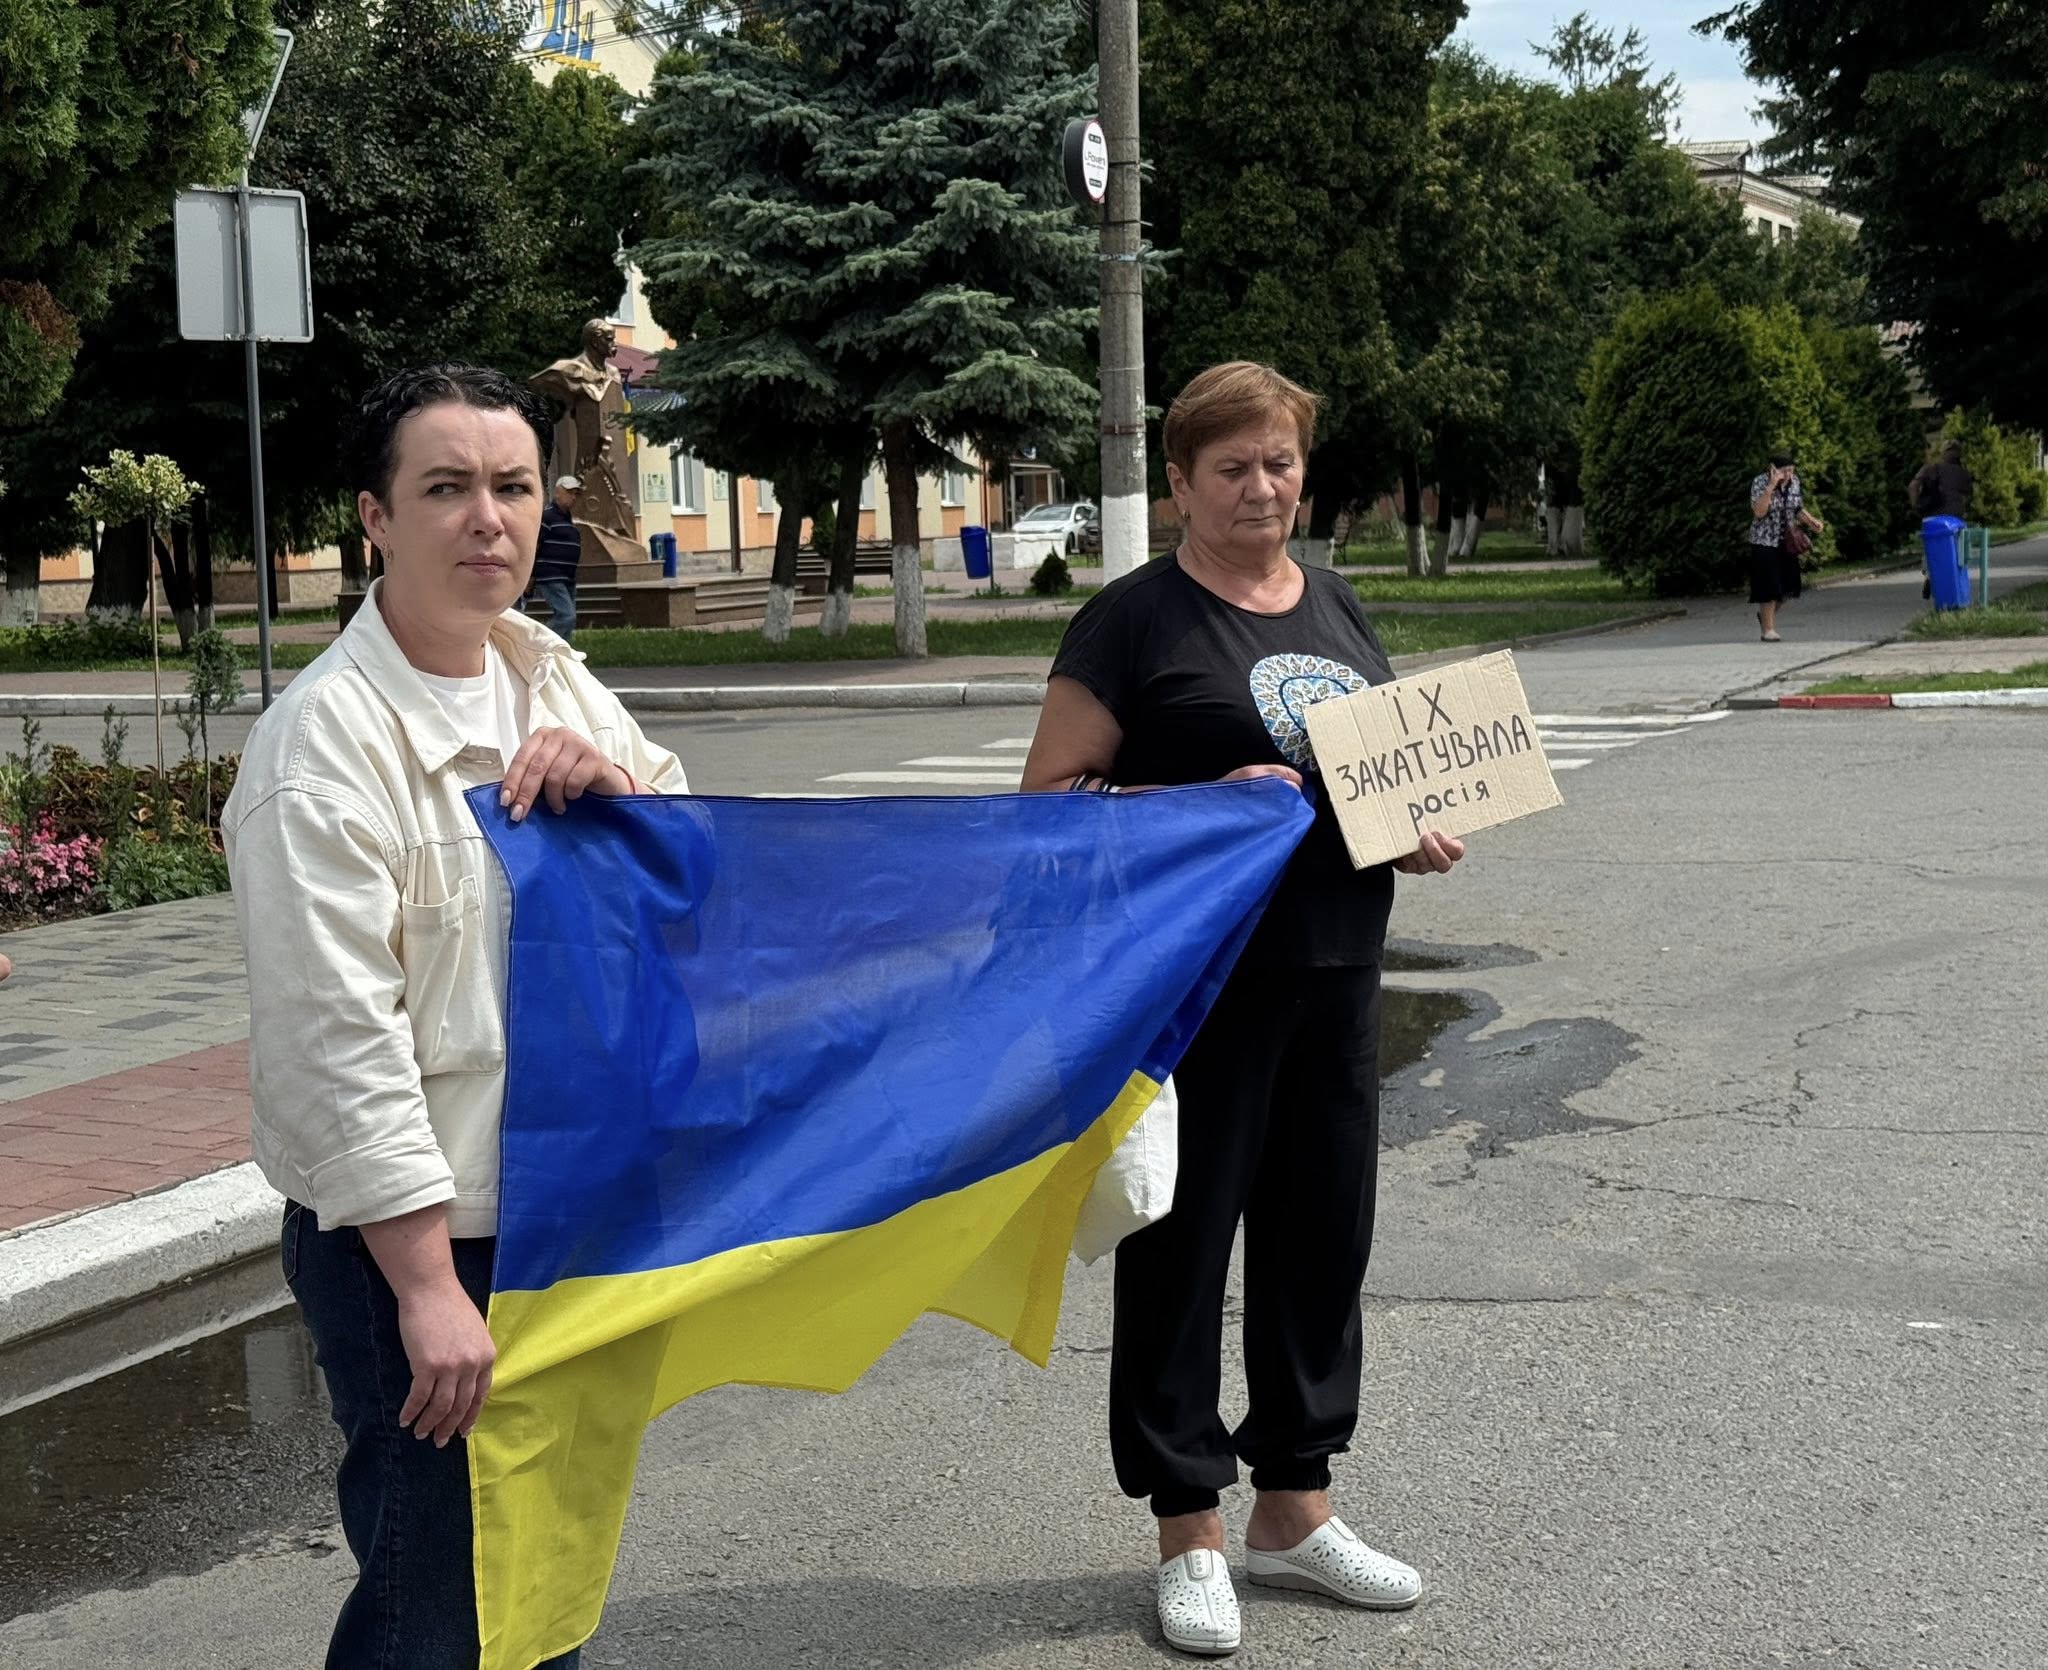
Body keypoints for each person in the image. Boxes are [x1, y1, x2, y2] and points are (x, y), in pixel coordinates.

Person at [222, 364, 690, 1670]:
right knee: (435, 1600)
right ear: (375, 517)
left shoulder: (553, 681)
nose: (488, 516)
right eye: (446, 487)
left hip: (562, 1206)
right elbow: (339, 1042)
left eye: (514, 486)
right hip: (424, 1241)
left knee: (541, 1565)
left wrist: (621, 792)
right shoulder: (323, 749)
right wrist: (426, 1286)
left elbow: (694, 870)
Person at [1020, 361, 1465, 1658]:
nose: (1261, 487)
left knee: (1323, 1242)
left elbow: (1374, 776)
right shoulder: (1131, 623)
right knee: (1181, 1250)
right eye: (1231, 467)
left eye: (1279, 462)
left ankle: (1294, 1505)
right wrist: (1194, 800)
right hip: (1195, 988)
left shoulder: (1333, 601)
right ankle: (1188, 1529)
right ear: (1178, 483)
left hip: (1336, 971)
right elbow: (1046, 806)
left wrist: (1416, 824)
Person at [1749, 451, 1826, 642]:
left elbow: (1797, 508)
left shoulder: (1794, 482)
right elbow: (1759, 512)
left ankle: (1765, 617)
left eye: (1791, 470)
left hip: (1786, 541)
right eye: (1784, 471)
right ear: (1772, 469)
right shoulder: (1760, 482)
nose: (1788, 474)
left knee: (1789, 586)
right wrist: (1771, 486)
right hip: (1764, 541)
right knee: (1769, 586)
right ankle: (1768, 630)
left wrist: (1811, 521)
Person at [1910, 441, 1973, 599]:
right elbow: (1966, 495)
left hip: (1932, 518)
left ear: (1943, 452)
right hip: (1955, 519)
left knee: (1931, 549)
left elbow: (1913, 486)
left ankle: (1930, 575)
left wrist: (1915, 505)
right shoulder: (1963, 473)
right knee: (1957, 553)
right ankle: (1954, 585)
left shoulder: (1930, 468)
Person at [531, 474, 583, 641]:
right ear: (558, 493)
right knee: (567, 617)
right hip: (551, 575)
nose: (573, 497)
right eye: (569, 492)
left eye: (575, 494)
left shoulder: (567, 519)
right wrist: (530, 575)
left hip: (567, 577)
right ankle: (539, 643)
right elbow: (535, 545)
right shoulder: (547, 517)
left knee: (568, 620)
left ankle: (560, 653)